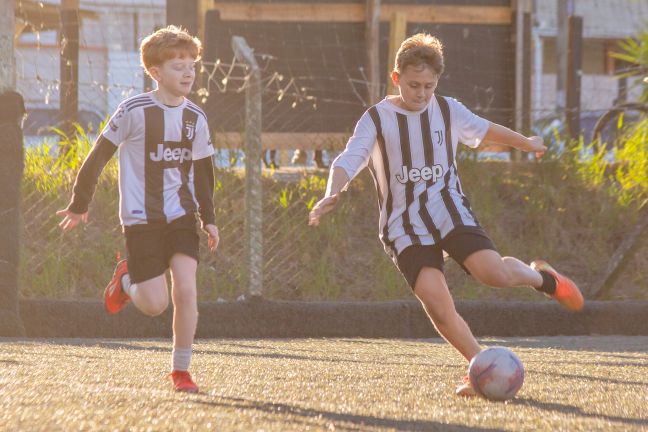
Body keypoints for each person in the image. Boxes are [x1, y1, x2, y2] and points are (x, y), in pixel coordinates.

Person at [308, 33, 584, 397]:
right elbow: (348, 159)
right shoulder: (376, 119)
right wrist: (333, 192)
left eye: (428, 86)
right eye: (413, 85)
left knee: (493, 273)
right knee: (438, 305)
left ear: (437, 82)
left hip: (448, 207)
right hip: (403, 225)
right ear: (396, 78)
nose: (421, 94)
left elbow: (486, 129)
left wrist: (527, 142)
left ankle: (542, 279)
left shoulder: (448, 109)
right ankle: (481, 368)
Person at [56, 26, 219, 393]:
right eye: (179, 66)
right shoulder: (133, 110)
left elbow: (205, 172)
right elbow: (97, 157)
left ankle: (182, 371)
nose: (188, 73)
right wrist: (80, 204)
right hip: (141, 220)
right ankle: (127, 280)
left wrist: (209, 220)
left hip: (181, 216)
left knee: (186, 291)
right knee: (154, 305)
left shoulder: (197, 118)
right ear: (156, 72)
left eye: (192, 65)